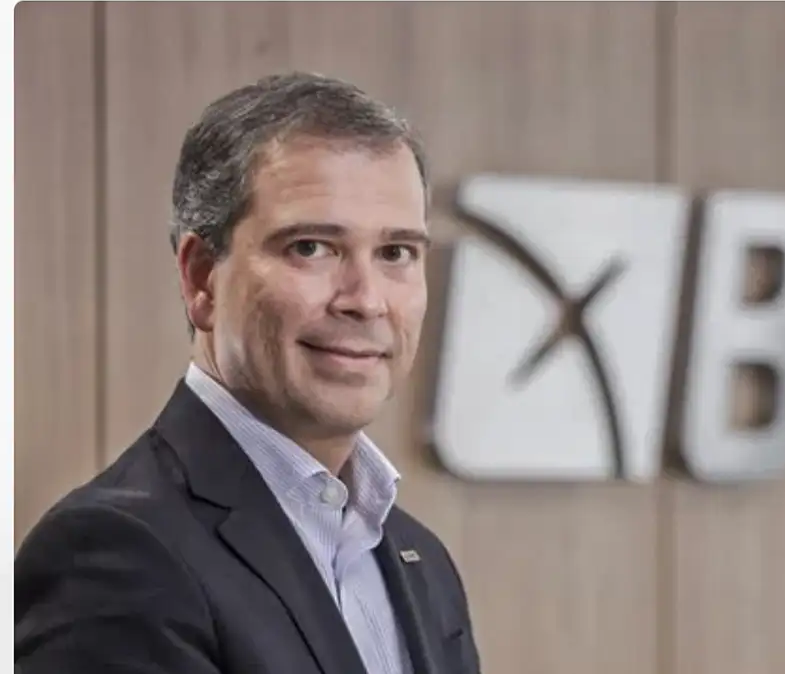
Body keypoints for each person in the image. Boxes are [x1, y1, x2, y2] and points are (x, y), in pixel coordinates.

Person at [14, 71, 481, 674]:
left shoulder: (421, 560)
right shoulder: (112, 555)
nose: (366, 300)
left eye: (396, 253)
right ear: (201, 279)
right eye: (311, 247)